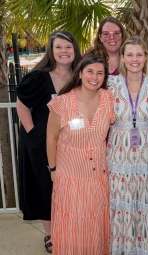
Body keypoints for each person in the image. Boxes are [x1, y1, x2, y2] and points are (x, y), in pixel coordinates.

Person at [15, 30, 81, 253]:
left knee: (65, 188)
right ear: (51, 51)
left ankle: (66, 228)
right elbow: (21, 105)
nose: (64, 51)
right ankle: (50, 233)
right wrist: (33, 134)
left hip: (70, 143)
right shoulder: (39, 76)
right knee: (44, 187)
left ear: (75, 49)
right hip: (40, 143)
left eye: (68, 47)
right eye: (59, 47)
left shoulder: (79, 75)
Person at [46, 55, 114, 254]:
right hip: (70, 175)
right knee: (72, 223)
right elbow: (50, 138)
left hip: (97, 176)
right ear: (81, 73)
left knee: (94, 222)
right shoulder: (62, 103)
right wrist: (52, 169)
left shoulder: (108, 98)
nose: (95, 77)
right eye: (90, 71)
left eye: (100, 73)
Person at [106, 35, 148, 255]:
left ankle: (145, 245)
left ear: (146, 57)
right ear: (122, 57)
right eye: (129, 54)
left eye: (139, 54)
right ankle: (122, 245)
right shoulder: (110, 84)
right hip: (119, 149)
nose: (134, 59)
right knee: (121, 195)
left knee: (146, 195)